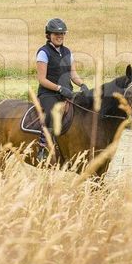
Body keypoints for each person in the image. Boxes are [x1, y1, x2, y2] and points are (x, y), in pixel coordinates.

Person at [33, 17, 89, 163]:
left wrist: (82, 85)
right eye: (56, 34)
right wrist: (59, 88)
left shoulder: (68, 52)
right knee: (53, 112)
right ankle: (43, 148)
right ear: (48, 35)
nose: (60, 36)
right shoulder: (43, 53)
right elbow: (42, 79)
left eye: (62, 34)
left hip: (67, 92)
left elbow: (73, 74)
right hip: (48, 94)